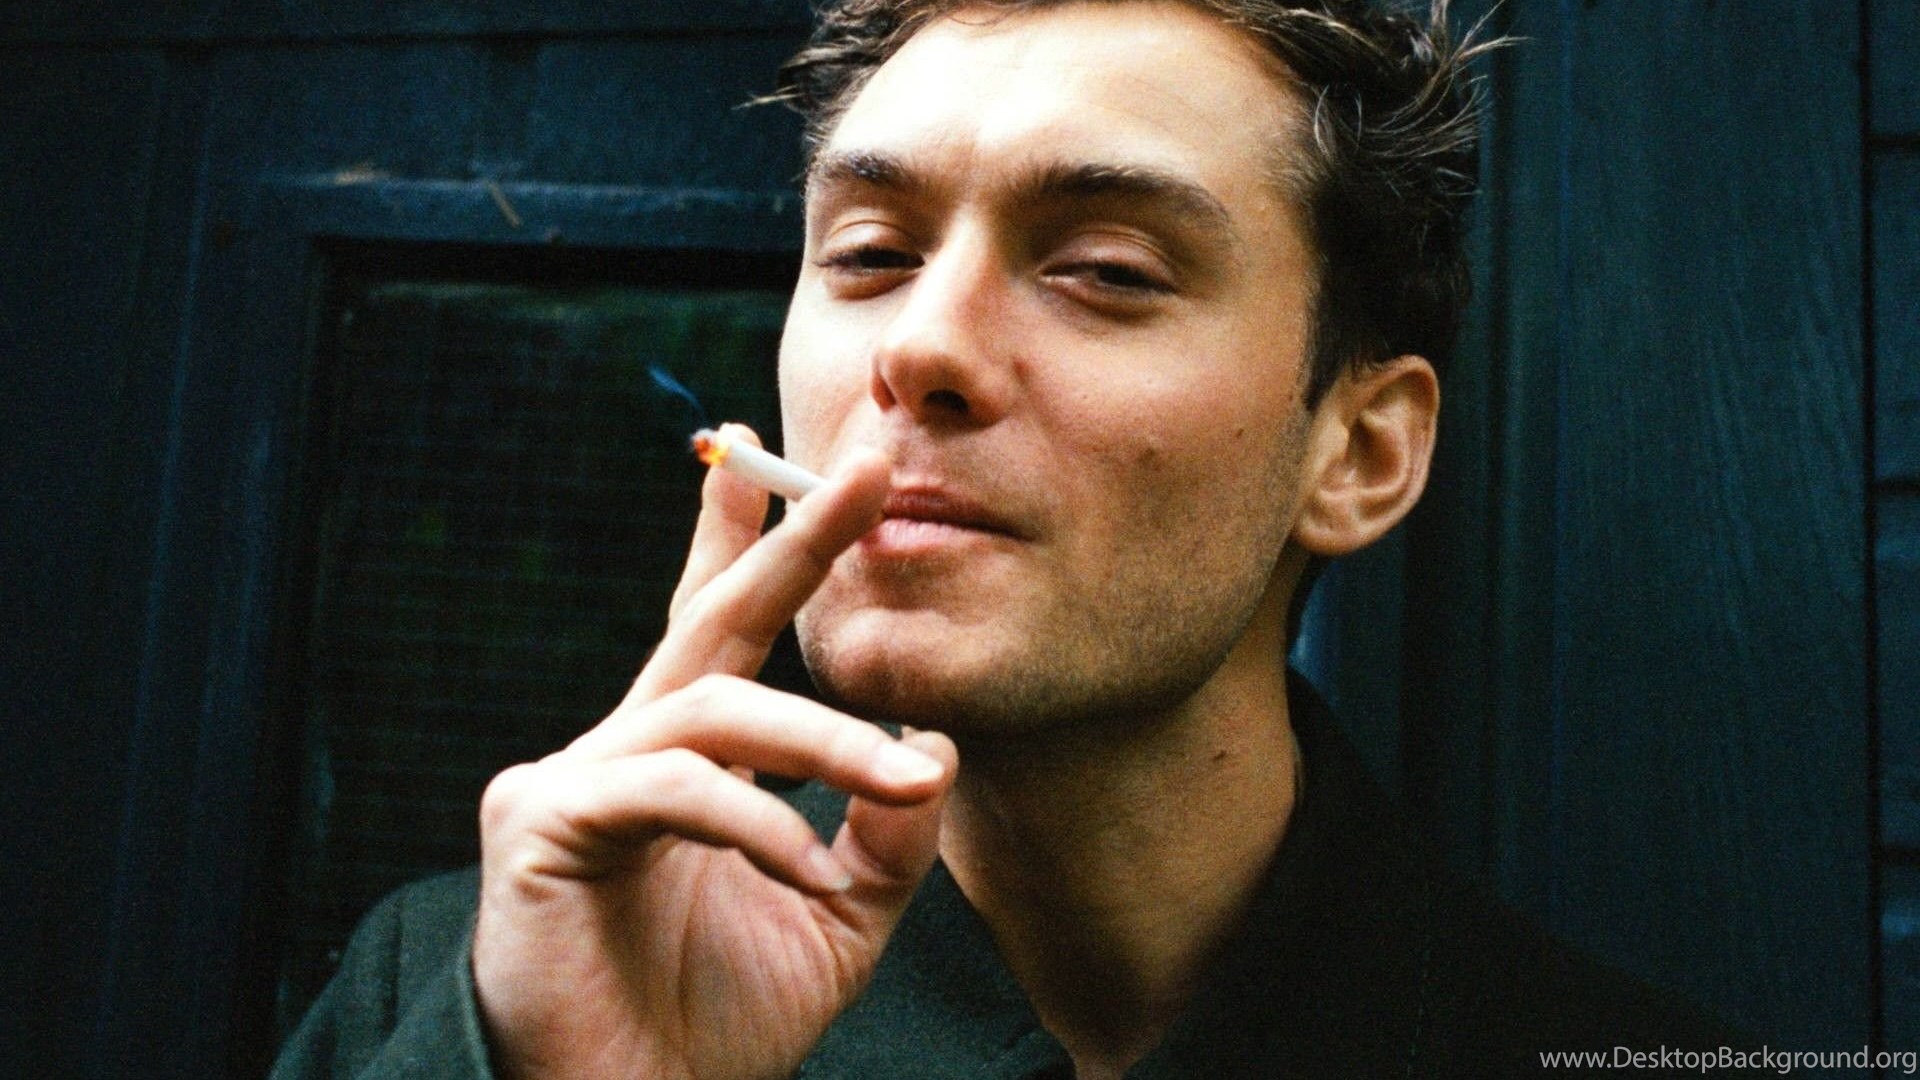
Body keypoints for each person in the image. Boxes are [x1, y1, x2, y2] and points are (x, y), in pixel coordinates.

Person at [272, 1, 1744, 1076]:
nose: (918, 348)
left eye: (1105, 269)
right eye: (869, 254)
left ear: (1358, 453)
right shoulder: (482, 991)